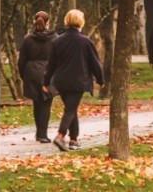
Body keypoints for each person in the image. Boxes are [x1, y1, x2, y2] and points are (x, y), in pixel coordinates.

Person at [43, 9, 104, 152]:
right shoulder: (85, 41)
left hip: (62, 81)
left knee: (72, 109)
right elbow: (95, 62)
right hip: (79, 80)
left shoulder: (58, 41)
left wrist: (46, 82)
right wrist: (100, 79)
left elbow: (51, 63)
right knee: (70, 109)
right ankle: (60, 135)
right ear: (81, 22)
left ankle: (74, 139)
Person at [18, 10, 56, 143]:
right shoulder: (54, 38)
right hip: (48, 72)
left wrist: (24, 75)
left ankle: (39, 132)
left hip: (32, 72)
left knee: (37, 103)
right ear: (48, 23)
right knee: (46, 104)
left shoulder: (28, 39)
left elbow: (21, 60)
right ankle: (43, 134)